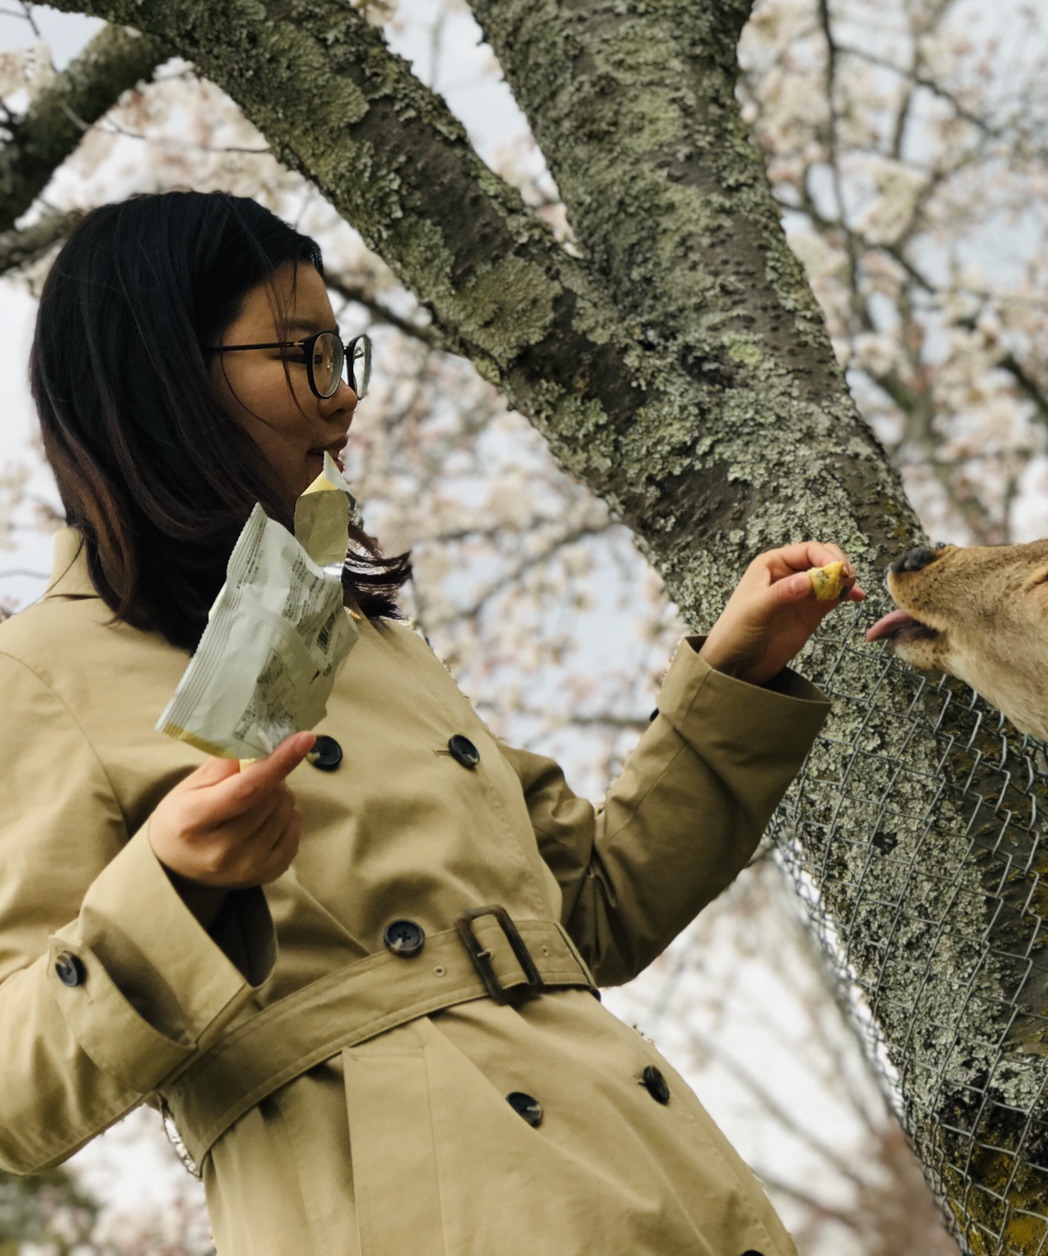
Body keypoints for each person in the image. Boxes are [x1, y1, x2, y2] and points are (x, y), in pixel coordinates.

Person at [0, 191, 866, 1255]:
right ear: (165, 374)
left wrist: (729, 678)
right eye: (302, 354)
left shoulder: (363, 641)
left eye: (344, 353)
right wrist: (170, 891)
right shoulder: (39, 675)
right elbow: (11, 1094)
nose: (342, 401)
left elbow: (592, 909)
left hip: (649, 1175)